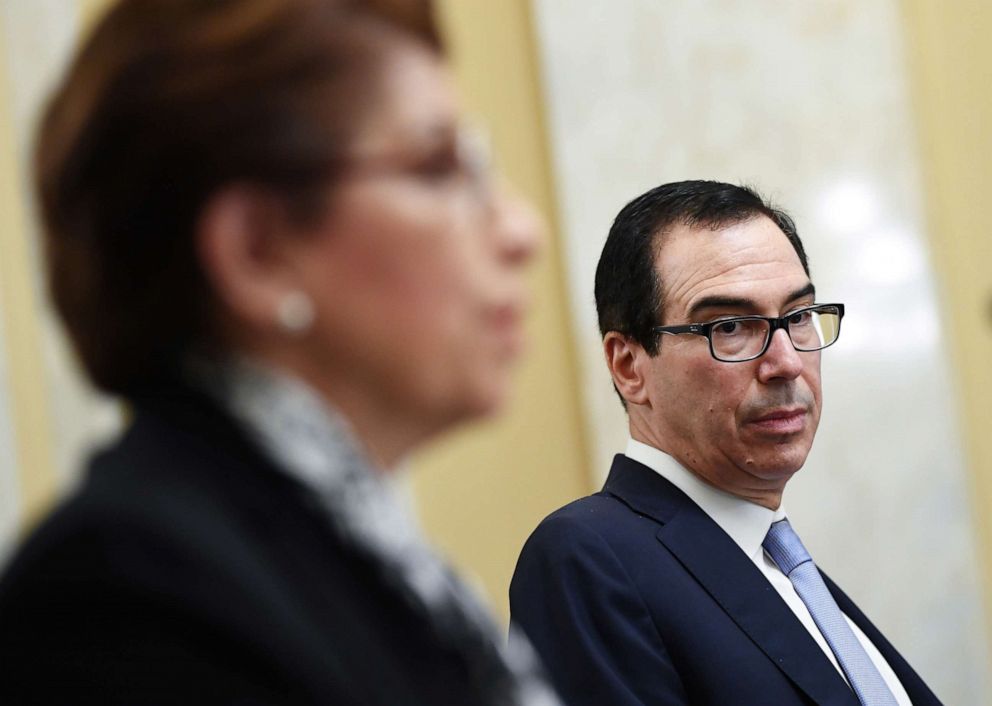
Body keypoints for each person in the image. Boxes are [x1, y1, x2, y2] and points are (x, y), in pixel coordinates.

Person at [0, 1, 562, 704]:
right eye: (438, 167)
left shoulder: (363, 562)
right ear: (258, 252)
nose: (521, 230)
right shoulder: (128, 600)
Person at [509, 181, 941, 705]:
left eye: (799, 317)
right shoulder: (588, 558)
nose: (784, 362)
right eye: (731, 325)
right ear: (629, 366)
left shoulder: (781, 566)